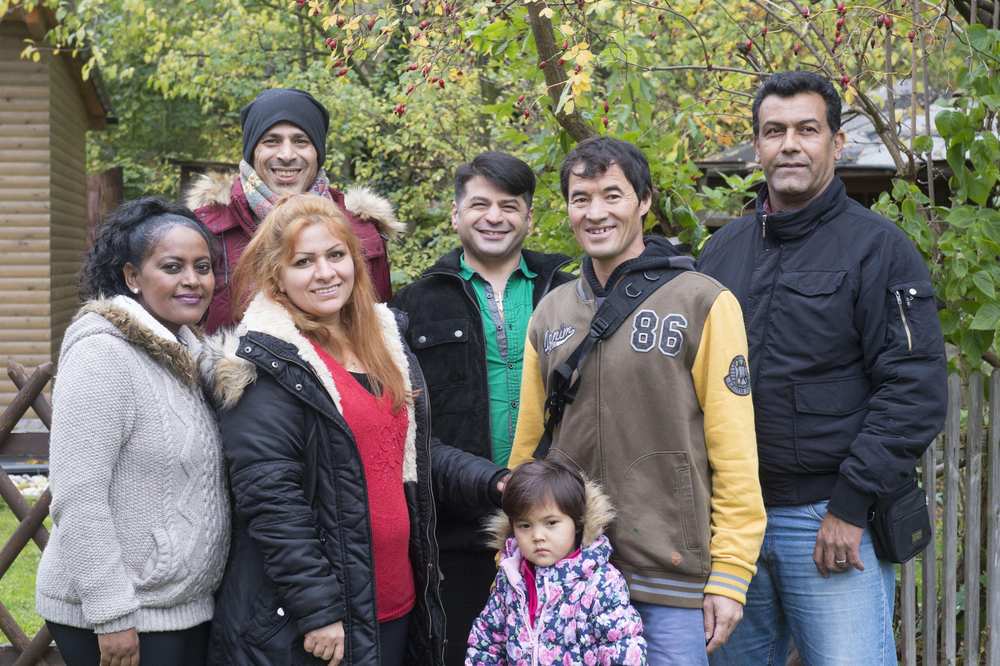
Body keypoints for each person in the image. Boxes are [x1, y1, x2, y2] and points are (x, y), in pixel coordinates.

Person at [698, 71, 948, 665]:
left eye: (807, 130)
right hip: (733, 525)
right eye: (774, 131)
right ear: (756, 145)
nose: (790, 144)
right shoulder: (720, 252)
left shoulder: (879, 249)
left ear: (836, 144)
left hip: (828, 523)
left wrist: (849, 505)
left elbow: (914, 388)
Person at [201, 194, 508, 665]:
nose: (325, 273)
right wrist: (318, 609)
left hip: (393, 598)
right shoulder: (268, 363)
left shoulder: (381, 341)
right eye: (303, 262)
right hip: (319, 619)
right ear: (276, 276)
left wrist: (495, 482)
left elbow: (409, 452)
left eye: (335, 255)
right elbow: (271, 500)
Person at [506, 137, 766, 664]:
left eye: (612, 195)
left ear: (644, 201)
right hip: (568, 572)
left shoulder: (702, 301)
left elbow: (735, 453)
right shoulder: (550, 314)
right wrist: (510, 549)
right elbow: (528, 448)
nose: (595, 212)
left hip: (669, 574)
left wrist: (732, 573)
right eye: (581, 198)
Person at [391, 151, 572, 663]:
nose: (494, 217)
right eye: (480, 204)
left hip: (559, 527)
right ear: (455, 214)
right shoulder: (412, 304)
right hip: (456, 533)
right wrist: (485, 482)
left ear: (529, 217)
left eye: (509, 205)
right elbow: (407, 429)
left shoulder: (570, 290)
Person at [35, 198, 230, 666]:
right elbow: (77, 495)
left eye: (202, 267)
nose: (192, 280)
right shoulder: (103, 356)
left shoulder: (190, 355)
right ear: (131, 277)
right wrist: (112, 614)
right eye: (172, 266)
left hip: (185, 610)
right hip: (117, 615)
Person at [186, 87, 404, 332]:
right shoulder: (207, 231)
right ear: (252, 151)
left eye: (301, 141)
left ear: (318, 152)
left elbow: (379, 330)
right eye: (272, 141)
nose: (287, 155)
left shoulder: (363, 231)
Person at [466, 459, 646, 665]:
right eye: (525, 525)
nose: (537, 536)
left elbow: (621, 651)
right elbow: (487, 643)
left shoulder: (601, 582)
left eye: (551, 523)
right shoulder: (511, 578)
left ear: (577, 522)